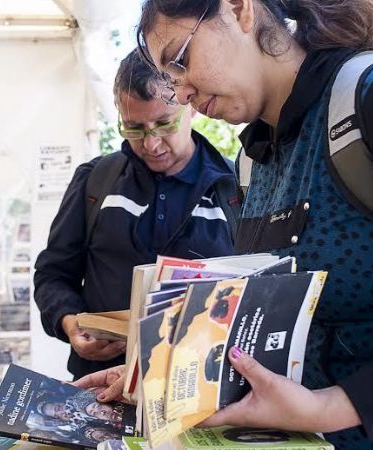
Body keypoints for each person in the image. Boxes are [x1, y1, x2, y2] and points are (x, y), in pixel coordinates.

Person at [78, 0, 373, 448]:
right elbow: (269, 325)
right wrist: (161, 369)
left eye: (181, 59)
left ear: (238, 9)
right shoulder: (252, 160)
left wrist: (330, 407)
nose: (183, 91)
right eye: (171, 80)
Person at [34, 49, 240, 380]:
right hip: (101, 384)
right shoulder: (95, 180)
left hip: (200, 388)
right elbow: (52, 275)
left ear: (192, 106)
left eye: (164, 124)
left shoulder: (237, 188)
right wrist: (69, 322)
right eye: (133, 128)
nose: (151, 144)